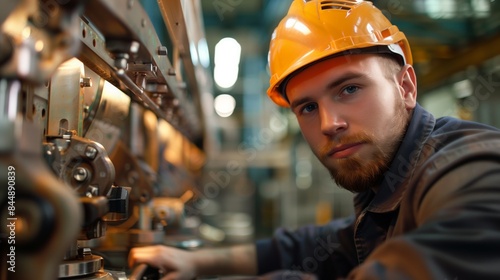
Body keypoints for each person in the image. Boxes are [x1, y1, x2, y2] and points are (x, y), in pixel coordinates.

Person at [129, 0, 500, 279]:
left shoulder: (469, 169)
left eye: (350, 88)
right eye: (307, 107)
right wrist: (197, 263)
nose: (329, 123)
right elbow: (324, 246)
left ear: (405, 86)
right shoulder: (386, 191)